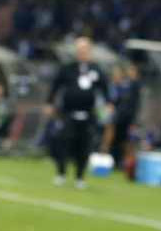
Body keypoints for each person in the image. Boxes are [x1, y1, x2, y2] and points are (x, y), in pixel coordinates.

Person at [47, 37, 112, 189]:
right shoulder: (68, 68)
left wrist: (109, 104)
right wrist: (49, 103)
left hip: (88, 114)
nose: (82, 53)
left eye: (85, 50)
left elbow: (105, 88)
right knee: (64, 142)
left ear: (89, 51)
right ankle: (61, 174)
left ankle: (80, 177)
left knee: (84, 146)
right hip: (68, 113)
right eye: (80, 50)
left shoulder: (96, 69)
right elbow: (56, 86)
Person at [107, 64, 141, 168]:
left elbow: (136, 104)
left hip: (129, 118)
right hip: (119, 116)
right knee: (116, 139)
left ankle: (125, 163)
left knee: (127, 141)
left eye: (132, 71)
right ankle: (113, 160)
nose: (130, 73)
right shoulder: (124, 85)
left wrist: (134, 121)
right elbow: (116, 100)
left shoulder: (136, 86)